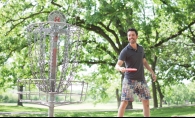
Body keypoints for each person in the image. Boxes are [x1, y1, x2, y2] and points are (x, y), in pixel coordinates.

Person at [115, 28, 157, 117]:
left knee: (146, 102)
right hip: (129, 80)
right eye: (129, 35)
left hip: (141, 79)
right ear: (127, 37)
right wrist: (120, 68)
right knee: (124, 103)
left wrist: (152, 72)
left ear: (136, 36)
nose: (131, 37)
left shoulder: (141, 49)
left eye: (133, 35)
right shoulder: (125, 51)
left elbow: (144, 62)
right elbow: (117, 65)